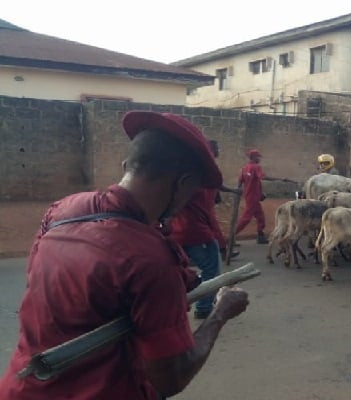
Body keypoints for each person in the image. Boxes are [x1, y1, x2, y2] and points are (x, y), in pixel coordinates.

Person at [0, 111, 250, 398]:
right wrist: (220, 313)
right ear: (182, 183)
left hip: (21, 388)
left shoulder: (61, 210)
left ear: (126, 166)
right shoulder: (150, 260)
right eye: (191, 192)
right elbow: (169, 380)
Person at [169, 139, 239, 320]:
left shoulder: (190, 171)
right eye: (215, 149)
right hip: (196, 232)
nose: (218, 151)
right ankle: (204, 305)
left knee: (176, 270)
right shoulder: (200, 175)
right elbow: (206, 208)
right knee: (211, 270)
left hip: (179, 231)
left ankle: (176, 304)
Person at [235, 149, 280, 244]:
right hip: (253, 198)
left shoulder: (244, 168)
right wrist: (278, 179)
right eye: (258, 157)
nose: (259, 159)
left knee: (260, 217)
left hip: (249, 196)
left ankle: (260, 236)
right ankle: (232, 235)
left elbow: (240, 181)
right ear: (254, 157)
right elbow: (262, 177)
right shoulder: (256, 167)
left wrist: (238, 191)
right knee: (246, 218)